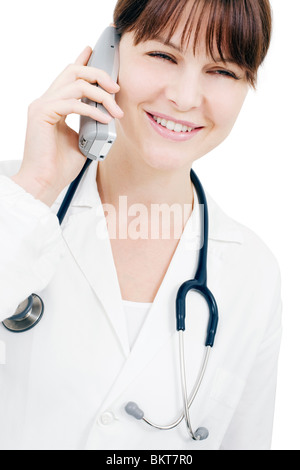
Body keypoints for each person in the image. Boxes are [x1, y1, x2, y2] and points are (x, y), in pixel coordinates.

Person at [0, 0, 282, 450]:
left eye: (223, 71)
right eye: (163, 56)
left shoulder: (254, 273)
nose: (186, 97)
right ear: (109, 52)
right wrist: (35, 187)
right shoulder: (14, 202)